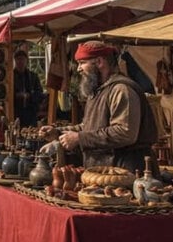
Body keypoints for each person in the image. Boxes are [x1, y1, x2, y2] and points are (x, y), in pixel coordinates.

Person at [46, 41, 156, 172]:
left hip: (127, 171)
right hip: (106, 170)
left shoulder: (121, 90)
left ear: (99, 62)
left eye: (82, 63)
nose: (78, 69)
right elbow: (90, 126)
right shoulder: (98, 90)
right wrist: (58, 132)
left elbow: (124, 133)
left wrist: (80, 138)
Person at [13, 49, 43, 127]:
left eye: (22, 59)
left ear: (26, 61)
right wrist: (17, 95)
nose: (20, 62)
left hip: (30, 111)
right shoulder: (11, 77)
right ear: (15, 61)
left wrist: (30, 95)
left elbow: (40, 93)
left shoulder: (33, 76)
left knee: (30, 133)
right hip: (15, 111)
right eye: (18, 59)